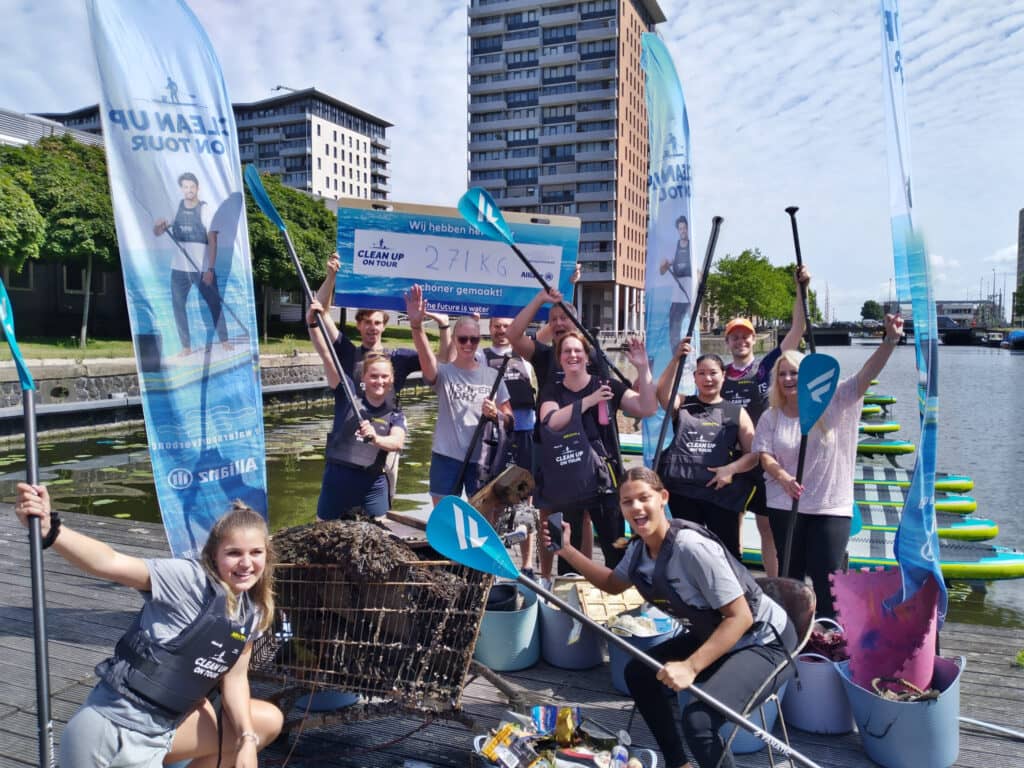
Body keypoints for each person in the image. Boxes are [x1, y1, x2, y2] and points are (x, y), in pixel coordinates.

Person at [541, 467, 796, 768]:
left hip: (763, 640)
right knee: (639, 673)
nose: (636, 507)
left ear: (663, 498)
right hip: (715, 633)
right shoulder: (639, 551)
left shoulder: (692, 548)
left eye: (643, 498)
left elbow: (739, 617)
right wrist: (568, 550)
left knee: (699, 721)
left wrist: (691, 666)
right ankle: (679, 764)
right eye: (627, 501)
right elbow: (612, 584)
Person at [13, 483, 282, 768]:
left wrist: (246, 741)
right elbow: (110, 562)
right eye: (234, 553)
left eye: (255, 553)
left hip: (159, 738)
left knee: (266, 720)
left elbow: (236, 679)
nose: (246, 563)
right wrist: (51, 531)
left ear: (267, 555)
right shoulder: (189, 580)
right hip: (109, 729)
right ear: (214, 555)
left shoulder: (253, 613)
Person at [753, 313, 905, 618]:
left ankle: (831, 639)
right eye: (782, 374)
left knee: (827, 580)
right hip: (786, 504)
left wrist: (889, 341)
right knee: (790, 578)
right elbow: (764, 455)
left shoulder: (836, 400)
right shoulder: (772, 416)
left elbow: (865, 375)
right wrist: (782, 476)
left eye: (794, 373)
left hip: (829, 507)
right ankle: (793, 637)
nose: (788, 379)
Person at [719, 265, 811, 577]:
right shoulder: (718, 374)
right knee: (728, 529)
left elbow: (797, 329)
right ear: (727, 342)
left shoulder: (765, 368)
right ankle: (736, 586)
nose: (740, 341)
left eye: (745, 336)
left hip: (765, 460)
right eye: (735, 337)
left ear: (754, 340)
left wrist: (801, 289)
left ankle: (775, 586)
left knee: (767, 529)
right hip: (732, 459)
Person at [537, 332, 656, 570]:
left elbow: (648, 408)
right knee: (568, 552)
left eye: (577, 351)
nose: (573, 355)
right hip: (566, 481)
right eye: (567, 351)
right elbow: (550, 421)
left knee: (615, 549)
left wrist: (642, 369)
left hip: (605, 482)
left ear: (587, 357)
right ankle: (566, 596)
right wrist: (588, 401)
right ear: (559, 359)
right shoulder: (552, 391)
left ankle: (617, 591)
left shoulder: (607, 385)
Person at [405, 284, 512, 506]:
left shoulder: (493, 375)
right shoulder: (444, 373)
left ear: (479, 341)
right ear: (454, 339)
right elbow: (426, 358)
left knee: (482, 518)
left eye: (473, 339)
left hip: (481, 458)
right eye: (463, 339)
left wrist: (496, 415)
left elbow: (510, 418)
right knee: (445, 518)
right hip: (446, 457)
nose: (468, 344)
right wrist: (416, 326)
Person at [656, 345, 759, 560]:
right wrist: (676, 359)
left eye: (713, 373)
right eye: (701, 373)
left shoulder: (736, 412)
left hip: (720, 495)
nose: (708, 378)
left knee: (727, 552)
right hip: (683, 492)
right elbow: (662, 393)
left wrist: (730, 469)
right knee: (687, 551)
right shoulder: (684, 404)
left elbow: (754, 454)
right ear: (694, 378)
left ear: (724, 376)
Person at [307, 300, 406, 520]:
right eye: (373, 376)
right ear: (363, 377)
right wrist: (313, 324)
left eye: (384, 377)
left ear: (391, 380)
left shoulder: (395, 410)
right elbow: (326, 353)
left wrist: (375, 439)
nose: (379, 381)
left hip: (373, 483)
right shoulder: (346, 391)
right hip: (338, 479)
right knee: (325, 535)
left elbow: (397, 442)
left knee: (376, 539)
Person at [481, 315, 539, 570]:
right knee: (493, 497)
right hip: (498, 435)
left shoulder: (526, 355)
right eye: (496, 326)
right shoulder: (482, 356)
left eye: (506, 326)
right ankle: (493, 561)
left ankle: (527, 566)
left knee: (526, 498)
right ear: (490, 328)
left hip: (526, 433)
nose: (501, 330)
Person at [153, 172, 229, 356]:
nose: (188, 190)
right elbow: (157, 232)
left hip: (202, 269)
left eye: (191, 187)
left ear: (197, 188)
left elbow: (213, 240)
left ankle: (224, 341)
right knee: (178, 306)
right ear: (182, 189)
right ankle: (186, 347)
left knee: (214, 303)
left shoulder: (205, 210)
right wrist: (159, 226)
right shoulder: (175, 208)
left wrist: (210, 269)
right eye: (185, 187)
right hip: (179, 269)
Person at [659, 215, 692, 350]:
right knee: (673, 333)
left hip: (690, 297)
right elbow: (662, 271)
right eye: (681, 228)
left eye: (685, 228)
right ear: (678, 230)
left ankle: (690, 358)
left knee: (691, 329)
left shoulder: (693, 248)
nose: (683, 231)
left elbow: (699, 273)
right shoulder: (674, 248)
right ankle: (676, 360)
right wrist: (664, 265)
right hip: (677, 297)